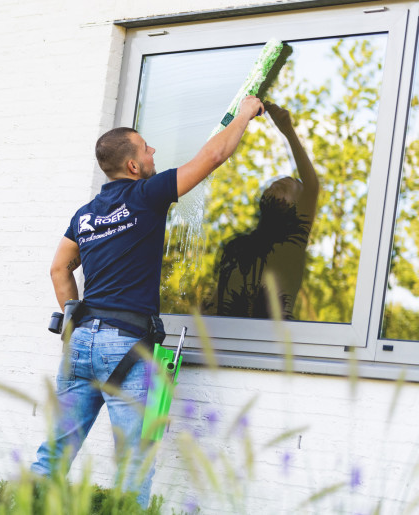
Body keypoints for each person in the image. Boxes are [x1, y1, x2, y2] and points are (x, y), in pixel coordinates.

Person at [30, 95, 265, 507]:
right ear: (134, 166)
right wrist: (245, 113)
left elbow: (58, 269)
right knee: (133, 465)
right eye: (146, 147)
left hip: (80, 344)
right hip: (127, 345)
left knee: (54, 454)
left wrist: (72, 324)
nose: (153, 150)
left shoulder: (85, 215)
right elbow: (213, 156)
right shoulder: (146, 195)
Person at [211, 101, 319, 319]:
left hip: (274, 335)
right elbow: (216, 302)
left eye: (286, 188)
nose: (277, 185)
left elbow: (312, 187)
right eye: (275, 185)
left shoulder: (293, 243)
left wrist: (287, 130)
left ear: (298, 208)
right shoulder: (238, 247)